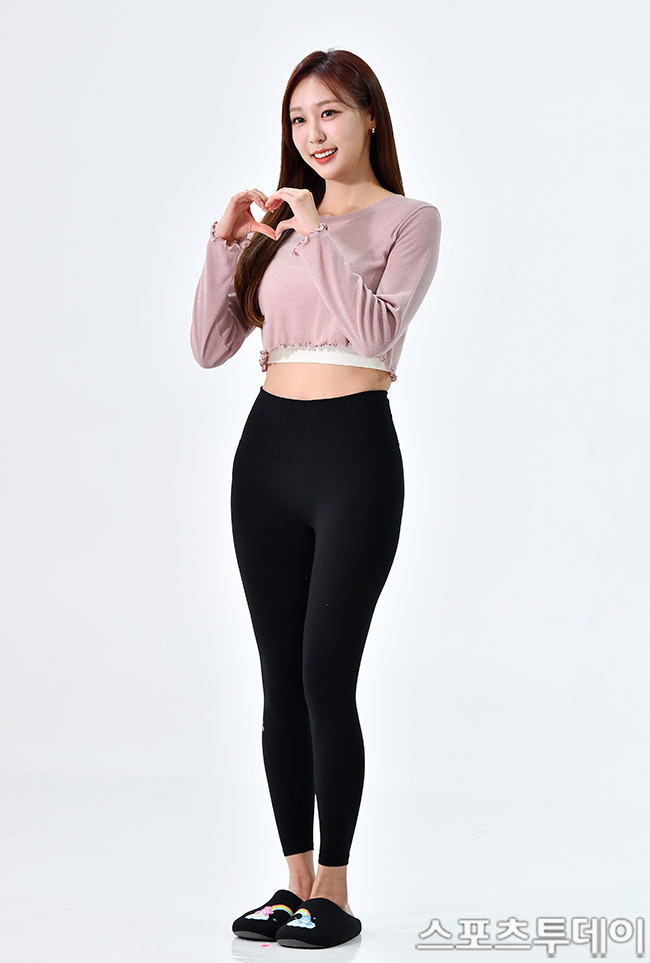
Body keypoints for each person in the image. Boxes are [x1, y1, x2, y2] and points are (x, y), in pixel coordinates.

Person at [191, 48, 441, 950]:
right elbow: (210, 345)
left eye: (329, 112)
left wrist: (314, 235)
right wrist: (227, 241)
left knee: (325, 672)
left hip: (355, 456)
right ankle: (293, 883)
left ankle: (335, 888)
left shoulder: (409, 221)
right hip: (266, 455)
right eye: (298, 119)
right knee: (278, 677)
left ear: (369, 115)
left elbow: (375, 332)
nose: (313, 134)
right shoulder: (279, 224)